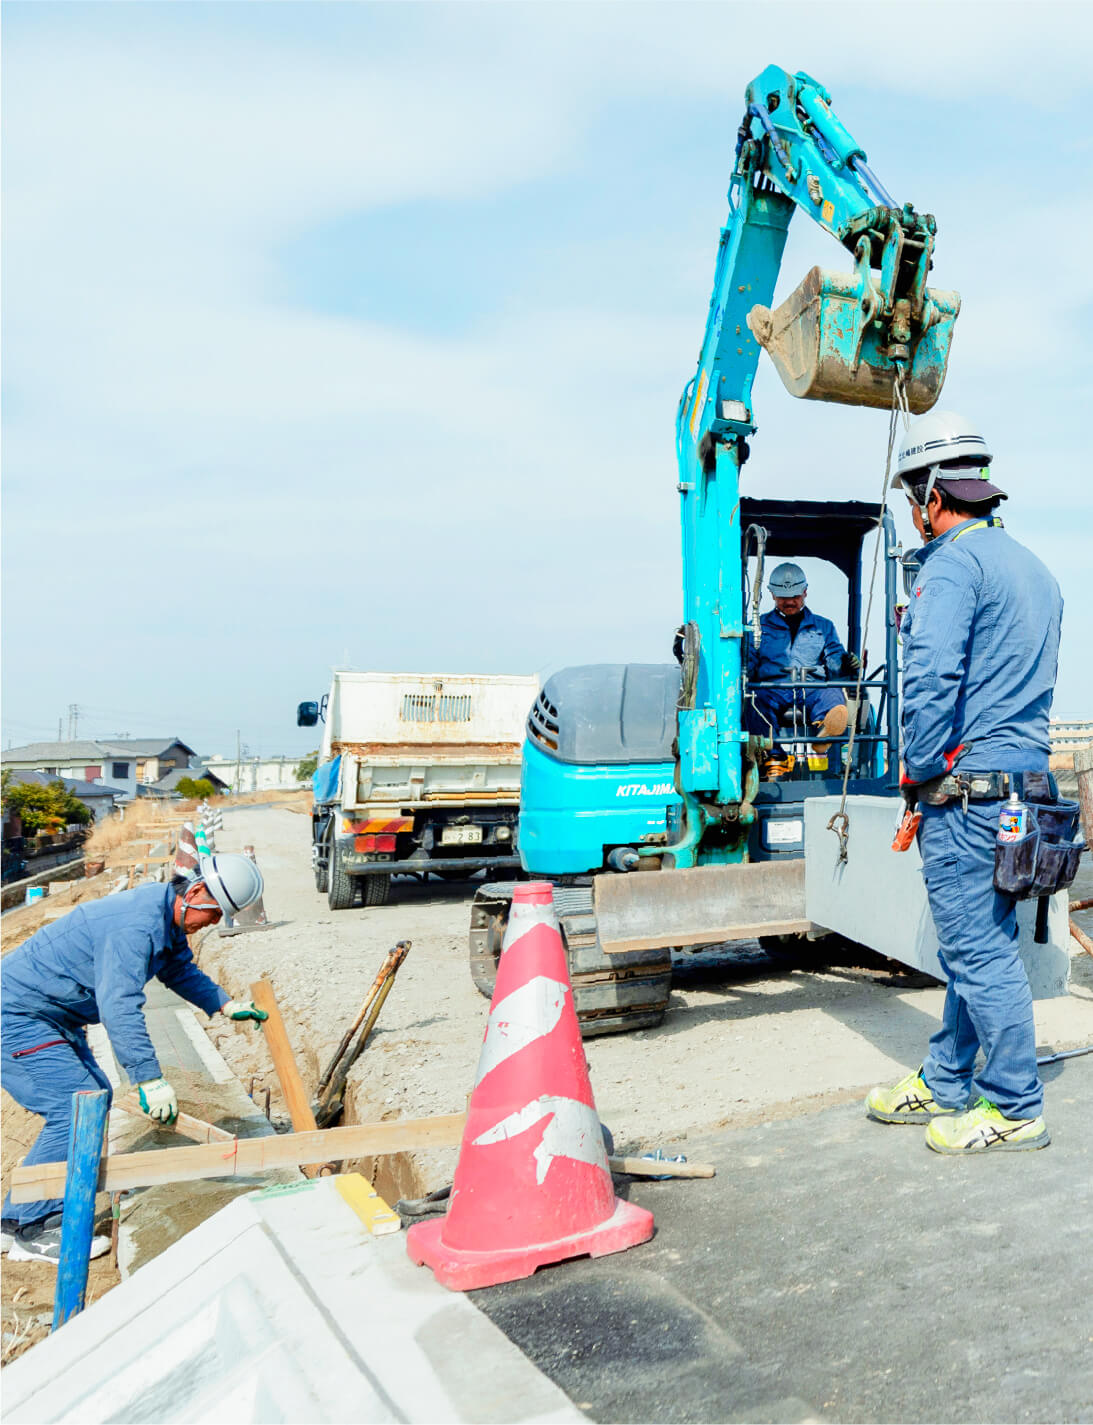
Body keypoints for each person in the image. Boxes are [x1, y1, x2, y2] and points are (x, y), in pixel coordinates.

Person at [865, 410, 1063, 1153]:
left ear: (929, 495)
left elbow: (930, 681)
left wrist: (916, 778)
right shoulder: (1033, 568)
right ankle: (947, 1079)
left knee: (977, 951)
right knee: (980, 941)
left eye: (911, 502)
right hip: (1023, 790)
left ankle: (1012, 1103)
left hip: (964, 791)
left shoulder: (950, 562)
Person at [1, 854, 269, 1263]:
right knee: (74, 1106)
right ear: (195, 893)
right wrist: (149, 1078)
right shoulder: (136, 926)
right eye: (214, 915)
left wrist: (225, 1005)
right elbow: (119, 1006)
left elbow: (177, 971)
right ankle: (33, 1228)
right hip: (17, 1015)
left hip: (50, 1014)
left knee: (93, 1098)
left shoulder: (164, 913)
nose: (212, 924)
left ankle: (14, 1218)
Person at [745, 562, 859, 770]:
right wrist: (744, 670)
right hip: (773, 689)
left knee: (832, 693)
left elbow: (833, 660)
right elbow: (749, 662)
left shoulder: (823, 627)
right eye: (783, 597)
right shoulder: (757, 628)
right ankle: (774, 758)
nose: (789, 602)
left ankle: (825, 732)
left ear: (805, 592)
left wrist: (845, 663)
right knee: (754, 700)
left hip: (811, 688)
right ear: (771, 594)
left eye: (795, 596)